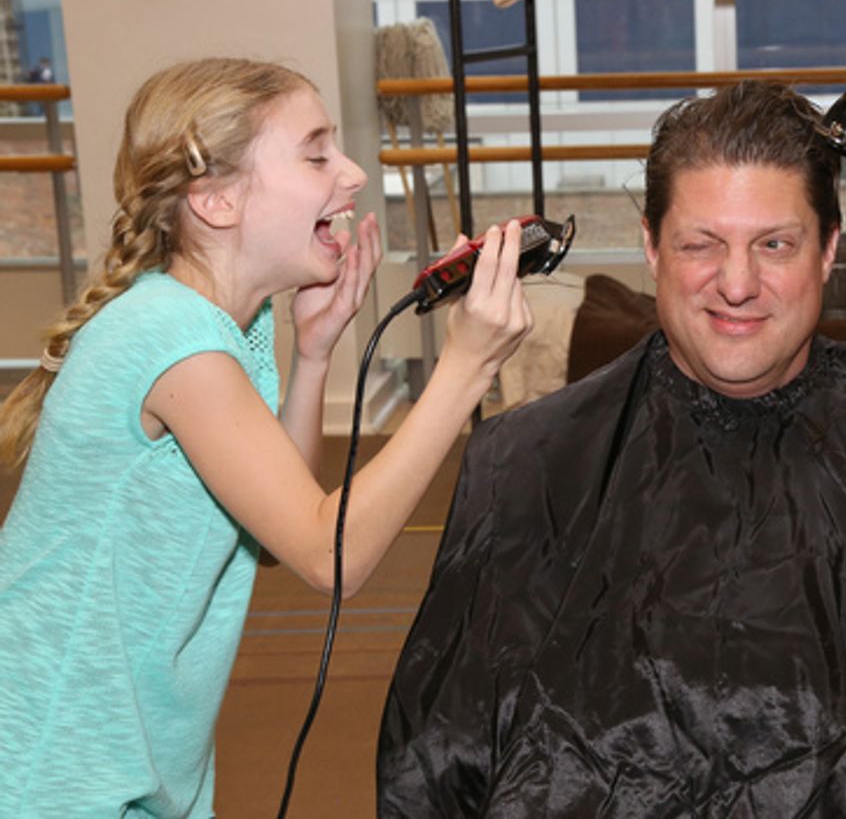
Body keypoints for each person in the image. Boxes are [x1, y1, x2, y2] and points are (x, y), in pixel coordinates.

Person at [378, 80, 846, 817]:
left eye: (775, 245)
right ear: (651, 247)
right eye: (701, 245)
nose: (737, 284)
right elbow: (438, 765)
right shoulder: (527, 466)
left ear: (829, 251)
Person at [0, 58, 532, 817]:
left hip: (124, 760)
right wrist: (465, 369)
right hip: (50, 766)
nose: (352, 173)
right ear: (216, 200)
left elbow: (280, 527)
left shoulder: (222, 328)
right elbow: (329, 555)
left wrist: (312, 355)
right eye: (316, 154)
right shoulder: (171, 339)